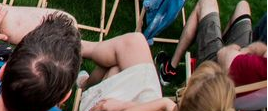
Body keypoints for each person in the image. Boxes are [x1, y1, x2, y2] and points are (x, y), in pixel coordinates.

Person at [77, 32, 236, 111]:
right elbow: (167, 105)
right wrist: (165, 103)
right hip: (145, 100)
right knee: (135, 43)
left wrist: (117, 105)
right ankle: (82, 70)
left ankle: (73, 48)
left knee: (116, 67)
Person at [155, 0, 267, 88]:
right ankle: (213, 44)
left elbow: (223, 55)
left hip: (219, 82)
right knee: (243, 6)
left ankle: (169, 69)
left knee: (207, 0)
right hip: (248, 75)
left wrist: (242, 51)